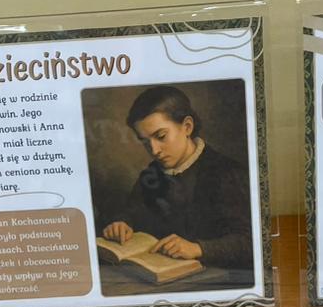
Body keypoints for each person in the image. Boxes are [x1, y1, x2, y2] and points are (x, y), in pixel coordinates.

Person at [99, 85, 253, 273]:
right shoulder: (152, 174)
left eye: (161, 136)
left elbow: (249, 242)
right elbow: (131, 211)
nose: (154, 150)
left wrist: (198, 249)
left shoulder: (226, 173)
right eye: (145, 142)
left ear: (187, 127)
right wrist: (121, 223)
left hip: (216, 278)